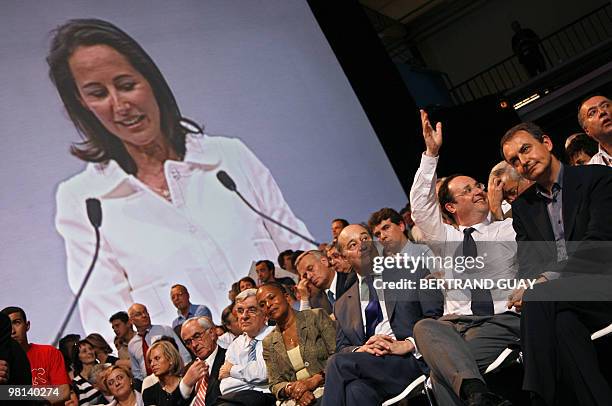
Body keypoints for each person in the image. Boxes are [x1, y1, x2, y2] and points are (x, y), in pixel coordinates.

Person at [48, 18, 315, 337]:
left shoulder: (229, 157)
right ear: (83, 105)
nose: (120, 105)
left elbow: (304, 258)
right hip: (208, 372)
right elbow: (109, 326)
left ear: (151, 80)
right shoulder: (84, 201)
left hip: (295, 339)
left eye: (126, 84)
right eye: (98, 93)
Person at [409, 110, 519, 406]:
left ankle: (474, 393)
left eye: (478, 186)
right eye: (467, 190)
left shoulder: (507, 229)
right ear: (451, 206)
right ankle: (477, 395)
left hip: (499, 319)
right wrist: (431, 154)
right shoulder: (446, 239)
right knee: (423, 327)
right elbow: (420, 207)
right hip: (456, 325)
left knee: (442, 373)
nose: (479, 191)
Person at [501, 122, 612, 406]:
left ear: (546, 143)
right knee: (564, 327)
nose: (522, 161)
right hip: (564, 302)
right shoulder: (523, 208)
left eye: (525, 150)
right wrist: (529, 284)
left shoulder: (597, 177)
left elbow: (598, 243)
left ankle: (537, 397)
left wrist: (546, 280)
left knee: (541, 295)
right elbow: (528, 264)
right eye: (514, 159)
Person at [321, 224, 443, 406]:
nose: (361, 245)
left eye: (364, 238)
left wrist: (408, 344)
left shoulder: (411, 271)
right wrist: (360, 350)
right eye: (352, 244)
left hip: (409, 360)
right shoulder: (342, 304)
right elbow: (343, 347)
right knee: (355, 390)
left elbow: (436, 317)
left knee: (337, 363)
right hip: (370, 365)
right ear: (343, 256)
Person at [258, 282, 335, 406]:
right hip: (294, 399)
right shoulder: (269, 342)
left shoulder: (315, 317)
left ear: (287, 297)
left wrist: (313, 381)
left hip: (327, 385)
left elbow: (337, 354)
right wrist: (292, 389)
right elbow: (275, 383)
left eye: (272, 298)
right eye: (262, 304)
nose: (268, 305)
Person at [217, 289, 276, 405]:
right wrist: (254, 380)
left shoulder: (274, 335)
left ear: (264, 312)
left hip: (270, 399)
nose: (244, 316)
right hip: (240, 400)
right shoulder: (235, 345)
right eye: (240, 311)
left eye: (252, 310)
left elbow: (266, 373)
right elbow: (225, 386)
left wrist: (232, 370)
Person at [1, 306, 71, 403]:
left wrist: (18, 395)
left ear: (27, 325)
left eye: (17, 322)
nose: (12, 331)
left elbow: (63, 392)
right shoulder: (2, 360)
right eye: (7, 326)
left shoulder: (49, 352)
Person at [126, 303, 190, 381]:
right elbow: (137, 373)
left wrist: (185, 375)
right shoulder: (132, 345)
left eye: (145, 312)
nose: (144, 315)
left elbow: (184, 355)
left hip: (175, 377)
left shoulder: (165, 330)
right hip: (152, 384)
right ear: (131, 321)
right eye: (139, 314)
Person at [178, 316, 227, 405]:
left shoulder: (229, 358)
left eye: (197, 336)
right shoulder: (187, 370)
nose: (194, 345)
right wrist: (185, 385)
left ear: (212, 333)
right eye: (188, 342)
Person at [142, 340, 189, 406]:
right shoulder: (149, 393)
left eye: (157, 358)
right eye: (150, 361)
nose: (152, 364)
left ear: (171, 359)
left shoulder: (187, 384)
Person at [577, 95, 612, 166]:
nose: (602, 112)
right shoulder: (592, 170)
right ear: (587, 131)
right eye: (592, 112)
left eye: (605, 106)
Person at [72, 339, 102, 405]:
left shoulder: (107, 368)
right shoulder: (77, 383)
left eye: (91, 349)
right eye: (84, 351)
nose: (89, 352)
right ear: (78, 358)